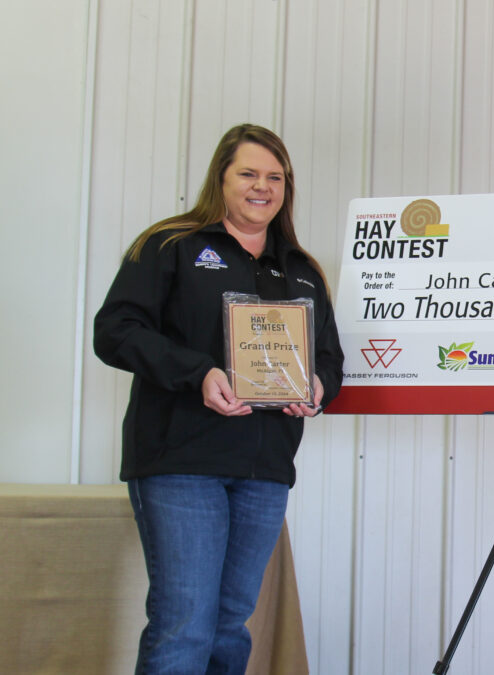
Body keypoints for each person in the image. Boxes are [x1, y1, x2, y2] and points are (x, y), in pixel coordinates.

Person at [94, 123, 344, 673]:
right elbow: (115, 330)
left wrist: (320, 386)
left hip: (265, 468)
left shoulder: (302, 271)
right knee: (184, 624)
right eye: (249, 173)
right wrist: (198, 371)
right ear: (221, 178)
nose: (263, 186)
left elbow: (329, 358)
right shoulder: (170, 246)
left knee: (231, 626)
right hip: (182, 461)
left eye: (275, 176)